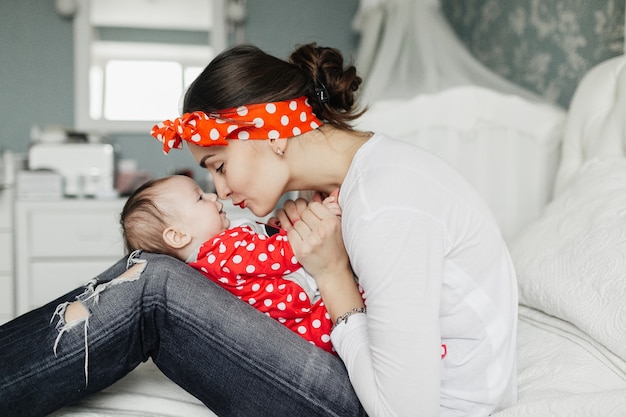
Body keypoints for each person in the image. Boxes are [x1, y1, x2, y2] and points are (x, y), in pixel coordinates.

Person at [0, 42, 517, 417]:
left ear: (267, 132)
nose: (220, 192)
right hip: (372, 376)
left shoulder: (390, 202)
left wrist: (332, 273)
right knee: (151, 268)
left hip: (403, 404)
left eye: (219, 165)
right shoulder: (357, 184)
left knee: (155, 285)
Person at [120, 174, 346, 353]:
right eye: (200, 198)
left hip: (299, 322)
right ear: (178, 236)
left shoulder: (211, 259)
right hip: (308, 313)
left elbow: (263, 249)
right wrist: (320, 217)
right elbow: (286, 253)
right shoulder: (222, 252)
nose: (212, 196)